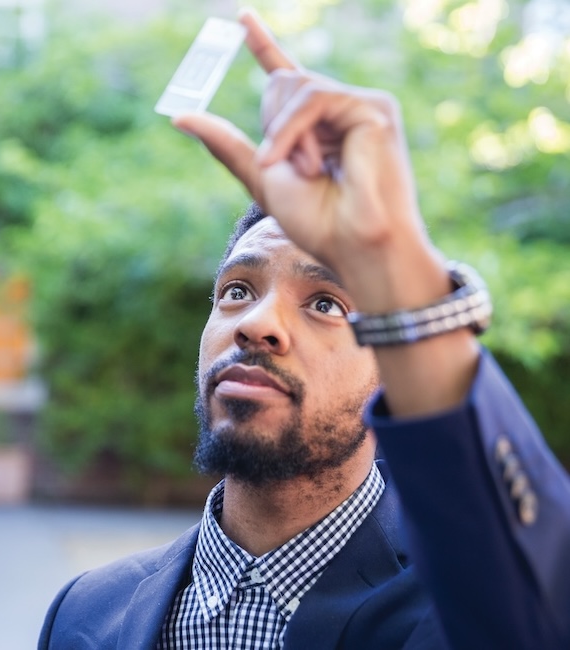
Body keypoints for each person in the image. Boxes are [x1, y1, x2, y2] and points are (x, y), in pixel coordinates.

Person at [39, 8, 570, 650]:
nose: (258, 323)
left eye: (325, 303)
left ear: (388, 362)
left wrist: (394, 265)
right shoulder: (86, 611)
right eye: (237, 291)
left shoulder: (465, 607)